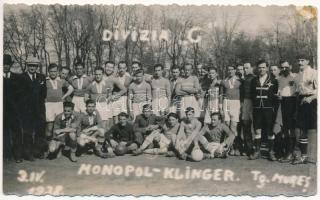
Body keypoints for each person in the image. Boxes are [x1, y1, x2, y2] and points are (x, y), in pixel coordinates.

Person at [19, 56, 47, 161]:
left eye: (34, 66)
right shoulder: (22, 77)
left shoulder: (41, 77)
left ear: (37, 67)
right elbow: (21, 95)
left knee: (40, 131)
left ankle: (38, 152)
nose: (32, 68)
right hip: (27, 110)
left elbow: (44, 94)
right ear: (27, 66)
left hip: (39, 109)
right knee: (28, 132)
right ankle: (28, 153)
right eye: (30, 65)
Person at [250, 59, 278, 161]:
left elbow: (275, 95)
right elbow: (252, 95)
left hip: (269, 109)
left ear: (267, 68)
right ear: (257, 68)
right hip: (257, 109)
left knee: (270, 130)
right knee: (257, 130)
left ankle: (271, 152)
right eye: (260, 67)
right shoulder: (254, 80)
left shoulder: (273, 80)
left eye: (263, 67)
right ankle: (257, 151)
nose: (261, 69)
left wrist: (273, 107)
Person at [292, 54, 317, 164]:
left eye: (302, 60)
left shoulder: (314, 73)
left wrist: (311, 98)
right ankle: (304, 155)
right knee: (301, 129)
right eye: (299, 60)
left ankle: (314, 157)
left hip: (313, 102)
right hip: (301, 101)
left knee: (313, 129)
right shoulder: (297, 76)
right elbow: (297, 91)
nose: (300, 62)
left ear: (307, 61)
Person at [45, 63, 74, 144]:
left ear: (57, 72)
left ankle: (58, 145)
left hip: (59, 105)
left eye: (55, 71)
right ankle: (48, 146)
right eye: (51, 71)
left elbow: (71, 89)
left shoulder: (61, 80)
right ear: (48, 72)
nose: (53, 73)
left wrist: (63, 97)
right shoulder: (45, 81)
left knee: (59, 125)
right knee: (49, 126)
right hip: (48, 105)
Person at [3, 54, 23, 162]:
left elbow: (20, 95)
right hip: (3, 111)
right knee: (4, 132)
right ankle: (6, 154)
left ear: (10, 65)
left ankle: (18, 155)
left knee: (17, 133)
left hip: (15, 111)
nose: (5, 66)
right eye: (3, 64)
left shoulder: (17, 77)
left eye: (7, 64)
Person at [277, 60, 297, 162]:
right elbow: (279, 91)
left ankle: (291, 152)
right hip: (283, 103)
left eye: (286, 67)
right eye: (282, 67)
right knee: (284, 129)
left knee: (291, 129)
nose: (284, 69)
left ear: (290, 66)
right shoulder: (279, 78)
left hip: (292, 102)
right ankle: (288, 152)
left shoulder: (295, 77)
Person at [221, 65, 242, 156]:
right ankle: (229, 148)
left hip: (236, 103)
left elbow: (243, 93)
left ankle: (236, 147)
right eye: (228, 70)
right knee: (227, 125)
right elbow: (221, 94)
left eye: (231, 69)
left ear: (234, 70)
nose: (230, 71)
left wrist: (241, 105)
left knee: (234, 126)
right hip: (226, 102)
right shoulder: (224, 81)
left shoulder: (240, 80)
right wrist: (221, 107)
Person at [241, 62, 256, 157]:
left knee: (254, 126)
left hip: (254, 103)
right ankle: (248, 146)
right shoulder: (243, 79)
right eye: (244, 68)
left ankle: (255, 148)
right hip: (245, 102)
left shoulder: (255, 78)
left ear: (251, 68)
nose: (245, 70)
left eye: (247, 68)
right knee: (246, 124)